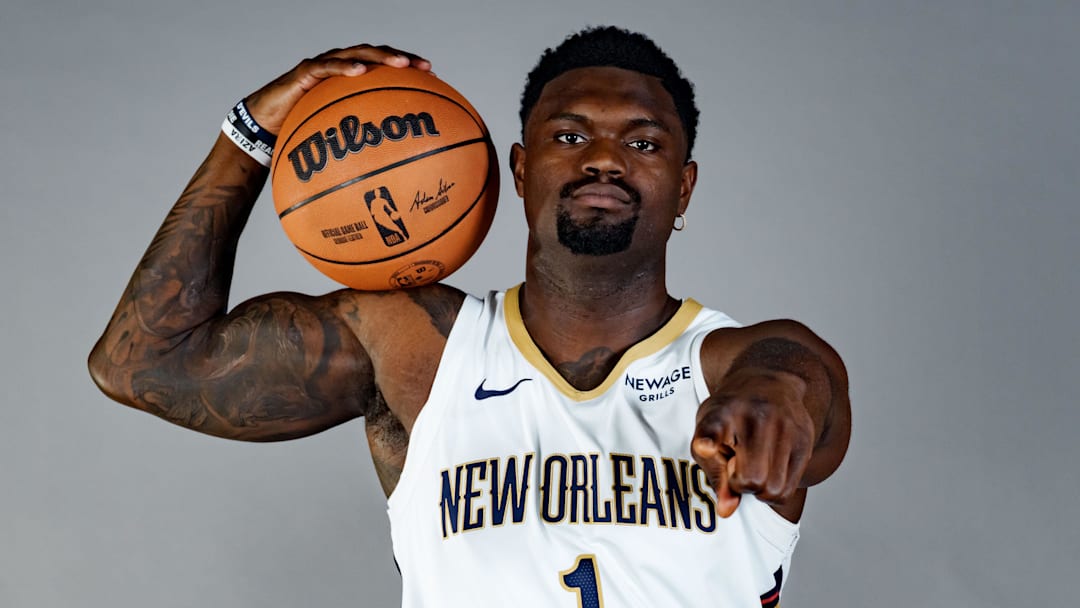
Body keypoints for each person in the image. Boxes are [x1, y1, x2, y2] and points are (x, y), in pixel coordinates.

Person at [89, 26, 850, 607]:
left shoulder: (735, 360)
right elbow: (142, 364)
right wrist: (249, 135)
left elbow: (792, 375)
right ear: (520, 169)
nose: (605, 159)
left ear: (682, 189)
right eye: (570, 135)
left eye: (643, 141)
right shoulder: (414, 345)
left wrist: (776, 401)